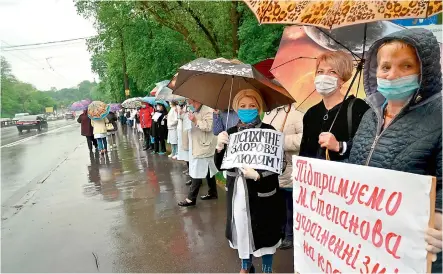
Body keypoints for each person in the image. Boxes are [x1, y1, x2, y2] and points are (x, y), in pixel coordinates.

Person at [348, 28, 442, 273]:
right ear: (375, 71)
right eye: (386, 67)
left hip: (415, 249)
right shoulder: (370, 116)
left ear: (425, 70)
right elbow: (356, 166)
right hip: (369, 242)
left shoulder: (440, 117)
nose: (392, 75)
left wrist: (441, 218)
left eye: (406, 66)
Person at [214, 89, 284, 273]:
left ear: (259, 108)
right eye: (242, 106)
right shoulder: (230, 133)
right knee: (242, 230)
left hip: (262, 192)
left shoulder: (269, 131)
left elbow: (280, 165)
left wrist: (259, 175)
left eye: (252, 106)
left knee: (265, 233)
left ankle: (267, 268)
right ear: (236, 108)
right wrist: (220, 147)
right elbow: (221, 166)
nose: (247, 109)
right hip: (237, 190)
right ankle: (246, 266)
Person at [299, 51, 369, 161]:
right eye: (320, 71)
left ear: (342, 79)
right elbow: (304, 153)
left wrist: (340, 146)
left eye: (332, 72)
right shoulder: (311, 113)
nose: (324, 76)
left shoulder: (358, 108)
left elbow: (367, 148)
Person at [262, 103, 303, 250]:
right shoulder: (269, 112)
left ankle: (290, 235)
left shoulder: (297, 110)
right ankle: (279, 231)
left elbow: (304, 137)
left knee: (289, 204)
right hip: (273, 166)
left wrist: (280, 140)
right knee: (277, 203)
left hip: (289, 166)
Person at [178, 99, 218, 207]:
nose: (189, 103)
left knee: (196, 170)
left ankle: (191, 199)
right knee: (208, 169)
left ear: (197, 100)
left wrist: (195, 120)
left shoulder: (208, 110)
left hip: (203, 145)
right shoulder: (194, 110)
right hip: (197, 144)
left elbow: (209, 126)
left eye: (191, 101)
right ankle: (213, 192)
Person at [176, 101, 192, 186]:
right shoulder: (185, 110)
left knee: (191, 155)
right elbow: (180, 117)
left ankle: (193, 177)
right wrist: (179, 111)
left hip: (191, 133)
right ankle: (191, 173)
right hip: (185, 133)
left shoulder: (191, 109)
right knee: (187, 153)